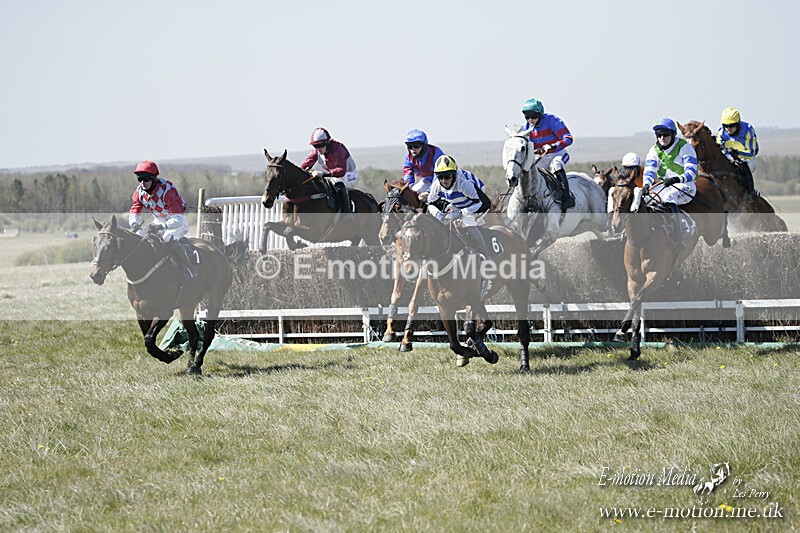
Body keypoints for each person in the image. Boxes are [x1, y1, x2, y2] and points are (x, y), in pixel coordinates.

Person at [128, 160, 196, 278]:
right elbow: (135, 210)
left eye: (146, 179)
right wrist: (134, 223)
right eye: (140, 179)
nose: (142, 182)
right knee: (138, 235)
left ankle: (188, 267)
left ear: (154, 178)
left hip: (177, 223)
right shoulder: (139, 193)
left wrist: (162, 226)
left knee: (167, 237)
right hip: (158, 221)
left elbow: (178, 218)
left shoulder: (168, 191)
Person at [643, 118, 699, 248]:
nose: (662, 138)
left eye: (666, 134)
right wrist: (646, 185)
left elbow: (691, 172)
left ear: (673, 134)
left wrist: (676, 179)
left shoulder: (685, 147)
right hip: (665, 186)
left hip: (685, 186)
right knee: (643, 198)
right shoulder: (654, 150)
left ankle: (679, 238)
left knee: (669, 197)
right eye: (659, 135)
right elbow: (649, 171)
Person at [426, 155, 492, 257]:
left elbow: (484, 204)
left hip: (478, 203)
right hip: (458, 204)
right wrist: (437, 213)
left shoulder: (464, 184)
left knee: (467, 224)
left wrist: (462, 213)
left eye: (447, 176)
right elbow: (430, 203)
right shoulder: (437, 186)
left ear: (454, 174)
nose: (444, 180)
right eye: (440, 177)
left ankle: (486, 255)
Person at [522, 97, 575, 210]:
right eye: (527, 116)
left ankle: (566, 197)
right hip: (541, 158)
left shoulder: (552, 120)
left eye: (533, 116)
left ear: (540, 114)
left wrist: (553, 145)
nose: (530, 119)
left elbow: (568, 138)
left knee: (556, 164)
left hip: (558, 154)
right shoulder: (526, 128)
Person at [300, 127, 358, 217]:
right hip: (333, 175)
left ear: (327, 142)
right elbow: (306, 164)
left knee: (339, 181)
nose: (318, 149)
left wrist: (323, 174)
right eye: (315, 146)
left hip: (349, 174)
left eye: (320, 145)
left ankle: (347, 211)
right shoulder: (317, 151)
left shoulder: (338, 149)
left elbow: (341, 171)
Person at [715, 107, 759, 194]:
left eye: (731, 126)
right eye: (725, 126)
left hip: (747, 159)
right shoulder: (721, 132)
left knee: (743, 167)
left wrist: (737, 154)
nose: (728, 129)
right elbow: (719, 150)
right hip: (729, 159)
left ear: (738, 124)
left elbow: (751, 152)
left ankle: (751, 192)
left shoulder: (748, 130)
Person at [401, 129, 445, 194]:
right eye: (410, 146)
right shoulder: (408, 158)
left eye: (416, 145)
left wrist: (428, 191)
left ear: (424, 145)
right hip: (427, 180)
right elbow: (407, 177)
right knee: (413, 193)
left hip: (445, 180)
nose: (413, 149)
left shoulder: (436, 153)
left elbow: (439, 175)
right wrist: (408, 191)